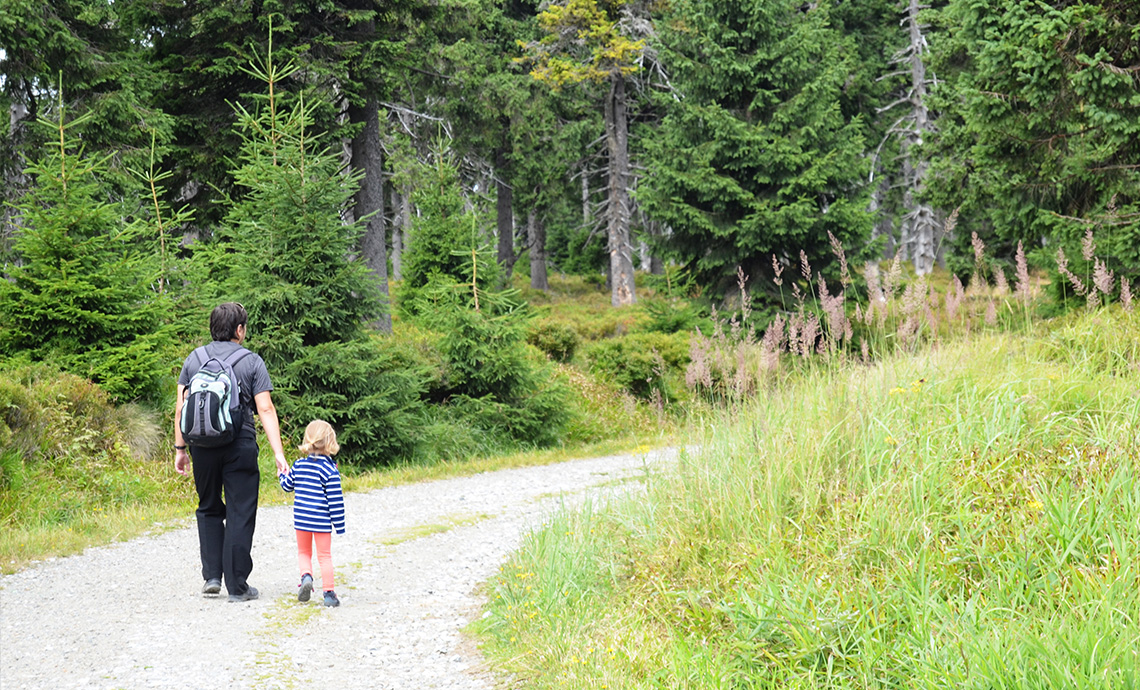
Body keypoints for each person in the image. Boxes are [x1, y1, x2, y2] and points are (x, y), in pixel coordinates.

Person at [173, 302, 288, 602]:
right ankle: (237, 585)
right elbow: (265, 407)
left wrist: (180, 448)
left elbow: (180, 407)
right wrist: (279, 453)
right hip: (239, 444)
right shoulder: (251, 361)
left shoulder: (194, 359)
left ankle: (212, 576)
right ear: (239, 330)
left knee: (208, 505)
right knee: (240, 511)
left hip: (202, 446)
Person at [279, 419, 346, 607]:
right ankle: (329, 594)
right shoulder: (329, 470)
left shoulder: (299, 465)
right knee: (324, 556)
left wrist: (281, 474)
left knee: (303, 552)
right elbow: (335, 501)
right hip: (321, 522)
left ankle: (306, 576)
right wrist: (339, 525)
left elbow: (287, 485)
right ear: (330, 442)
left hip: (301, 520)